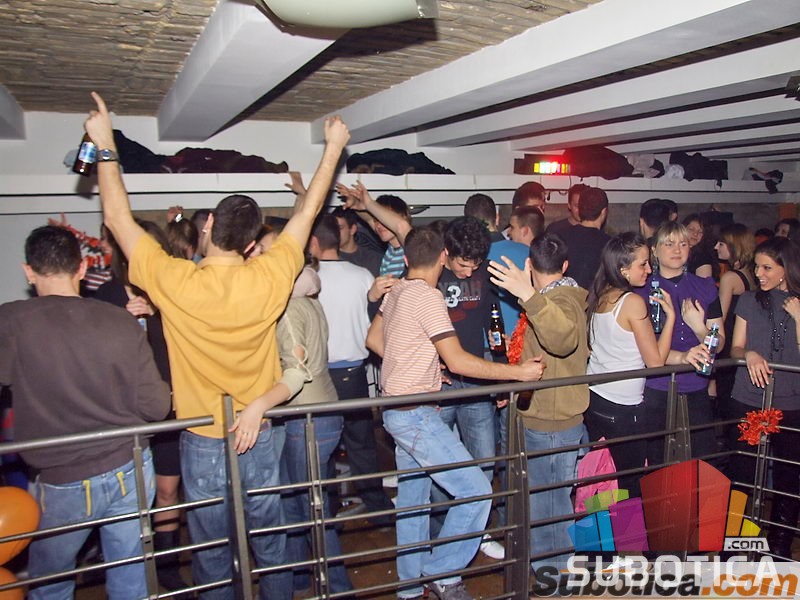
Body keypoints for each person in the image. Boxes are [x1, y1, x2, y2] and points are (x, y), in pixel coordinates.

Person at [83, 91, 351, 599]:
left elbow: (118, 220)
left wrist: (105, 145)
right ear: (251, 245)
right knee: (271, 544)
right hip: (260, 431)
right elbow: (308, 212)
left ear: (207, 226)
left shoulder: (175, 280)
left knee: (210, 552)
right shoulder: (269, 275)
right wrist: (334, 148)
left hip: (203, 436)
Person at [366, 226, 544, 600]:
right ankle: (442, 572)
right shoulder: (429, 297)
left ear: (408, 258)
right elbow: (460, 360)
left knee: (413, 501)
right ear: (443, 257)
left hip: (396, 409)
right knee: (476, 490)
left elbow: (374, 340)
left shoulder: (397, 290)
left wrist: (423, 365)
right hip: (415, 415)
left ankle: (410, 587)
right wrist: (518, 373)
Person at [0, 225, 170, 599]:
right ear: (81, 268)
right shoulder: (120, 320)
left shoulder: (10, 322)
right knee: (131, 575)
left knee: (50, 581)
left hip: (61, 475)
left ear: (28, 271)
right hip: (129, 464)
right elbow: (157, 406)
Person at [94, 220, 189, 592]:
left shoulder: (173, 291)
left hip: (166, 408)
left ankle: (167, 564)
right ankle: (119, 562)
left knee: (167, 491)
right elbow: (92, 357)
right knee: (122, 496)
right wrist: (124, 318)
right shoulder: (106, 296)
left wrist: (159, 313)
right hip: (118, 413)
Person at [488, 233, 589, 574]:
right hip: (544, 415)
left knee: (549, 507)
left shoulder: (561, 300)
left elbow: (562, 340)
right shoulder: (549, 298)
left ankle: (553, 578)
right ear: (564, 265)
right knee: (544, 501)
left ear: (529, 264)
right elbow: (547, 349)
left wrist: (528, 294)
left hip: (553, 423)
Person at [584, 233, 706, 496]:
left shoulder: (601, 293)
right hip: (623, 406)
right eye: (643, 264)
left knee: (605, 479)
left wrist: (683, 356)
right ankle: (628, 525)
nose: (649, 270)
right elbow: (655, 362)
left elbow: (627, 350)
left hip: (596, 398)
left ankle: (604, 521)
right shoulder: (632, 302)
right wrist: (671, 317)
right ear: (623, 269)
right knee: (631, 484)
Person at [308, 214, 396, 526]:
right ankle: (379, 510)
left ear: (314, 242)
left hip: (317, 377)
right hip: (354, 374)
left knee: (324, 449)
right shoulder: (361, 275)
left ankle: (327, 513)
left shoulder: (306, 278)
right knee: (362, 446)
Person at [727, 236, 800, 558]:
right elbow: (735, 347)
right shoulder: (748, 300)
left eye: (767, 268)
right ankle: (737, 546)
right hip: (750, 399)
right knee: (743, 474)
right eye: (757, 267)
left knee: (787, 476)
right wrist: (749, 353)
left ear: (786, 269)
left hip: (790, 403)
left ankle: (780, 546)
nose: (759, 274)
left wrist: (799, 317)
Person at [636, 222, 724, 467]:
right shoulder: (641, 289)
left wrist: (699, 328)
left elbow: (720, 342)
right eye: (669, 243)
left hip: (697, 384)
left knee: (702, 460)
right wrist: (682, 356)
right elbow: (641, 346)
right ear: (655, 250)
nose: (677, 250)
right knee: (657, 460)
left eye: (683, 244)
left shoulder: (704, 286)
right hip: (657, 385)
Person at [713, 224, 756, 405]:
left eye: (721, 243)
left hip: (730, 342)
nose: (716, 247)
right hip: (744, 340)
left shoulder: (730, 278)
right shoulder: (751, 274)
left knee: (726, 397)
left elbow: (719, 318)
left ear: (734, 246)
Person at [557, 186, 611, 290]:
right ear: (604, 212)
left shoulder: (560, 237)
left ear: (580, 209)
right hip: (595, 299)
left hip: (564, 297)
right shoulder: (609, 244)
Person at [682, 213, 714, 279]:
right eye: (691, 229)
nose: (695, 234)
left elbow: (704, 284)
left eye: (700, 232)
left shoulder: (702, 258)